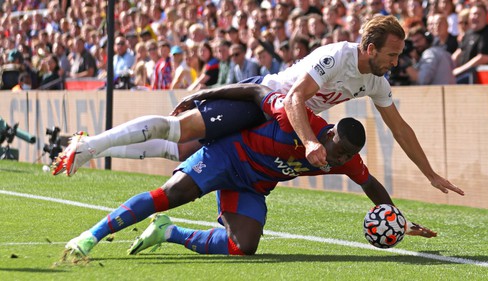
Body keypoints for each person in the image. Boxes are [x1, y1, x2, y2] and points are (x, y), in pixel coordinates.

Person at [54, 15, 464, 197]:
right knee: (177, 131)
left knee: (183, 151)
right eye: (392, 55)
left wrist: (429, 174)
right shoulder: (337, 55)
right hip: (265, 102)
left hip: (289, 122)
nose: (395, 63)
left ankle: (92, 146)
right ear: (369, 47)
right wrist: (308, 142)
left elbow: (400, 127)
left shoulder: (375, 79)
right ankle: (89, 146)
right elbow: (294, 97)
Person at [63, 88, 436, 259]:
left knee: (244, 247)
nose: (334, 161)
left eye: (345, 157)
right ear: (329, 133)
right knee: (171, 194)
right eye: (337, 151)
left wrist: (399, 219)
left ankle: (169, 232)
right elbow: (256, 92)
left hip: (254, 185)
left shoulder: (346, 159)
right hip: (226, 155)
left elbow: (370, 184)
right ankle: (91, 236)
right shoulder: (297, 119)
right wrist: (203, 95)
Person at [451, 3, 488, 84]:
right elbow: (459, 52)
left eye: (479, 14)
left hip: (479, 79)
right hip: (464, 74)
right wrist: (447, 65)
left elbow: (483, 58)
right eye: (473, 14)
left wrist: (460, 70)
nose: (475, 17)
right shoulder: (468, 33)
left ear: (486, 17)